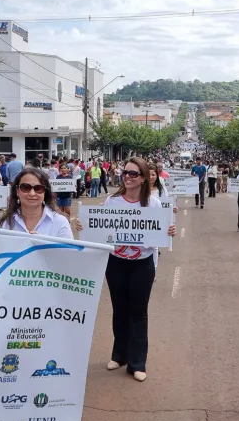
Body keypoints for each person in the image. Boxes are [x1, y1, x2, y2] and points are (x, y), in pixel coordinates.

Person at [74, 158, 175, 385]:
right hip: (116, 262)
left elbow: (161, 233)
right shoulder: (112, 201)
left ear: (143, 178)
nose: (128, 177)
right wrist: (83, 225)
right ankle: (119, 355)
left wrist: (168, 230)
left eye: (134, 174)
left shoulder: (154, 204)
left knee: (138, 313)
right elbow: (97, 224)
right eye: (126, 173)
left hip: (142, 263)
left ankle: (138, 363)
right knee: (119, 310)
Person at [0, 166, 72, 421]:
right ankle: (14, 417)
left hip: (48, 308)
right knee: (16, 364)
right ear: (16, 191)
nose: (31, 193)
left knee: (41, 366)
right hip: (15, 308)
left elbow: (69, 263)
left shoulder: (59, 224)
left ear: (46, 193)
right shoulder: (5, 224)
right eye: (25, 187)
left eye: (37, 188)